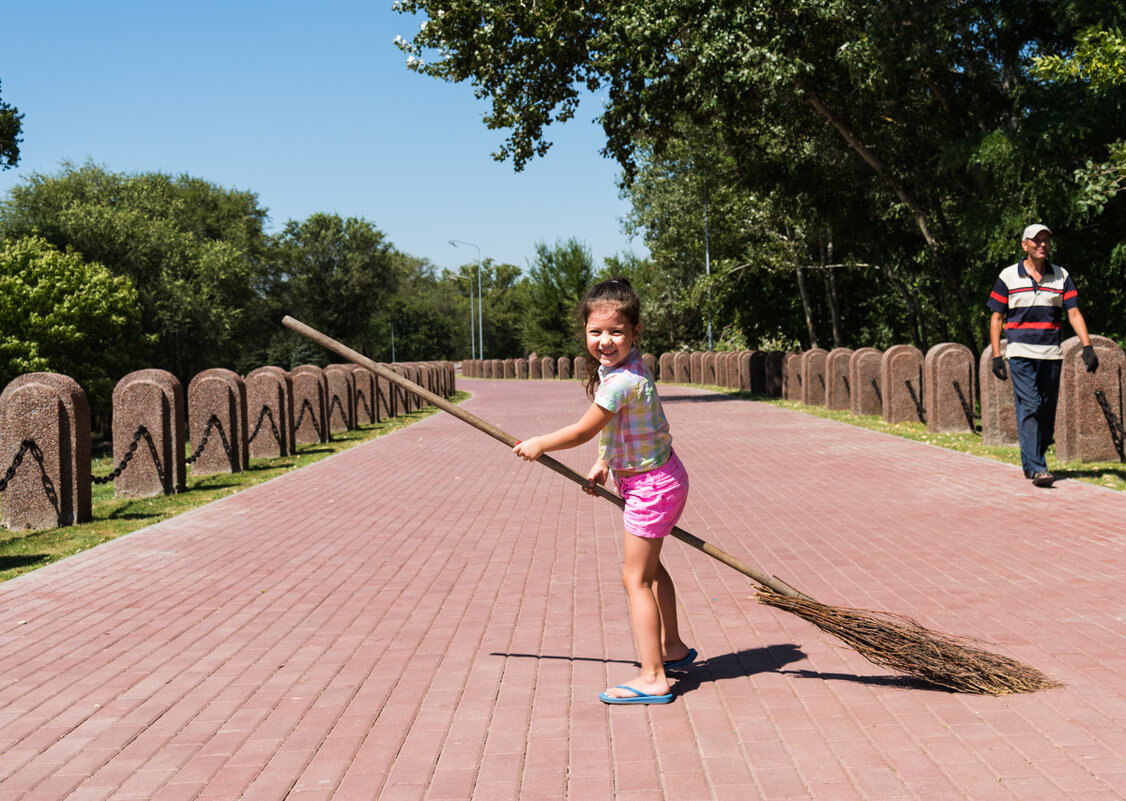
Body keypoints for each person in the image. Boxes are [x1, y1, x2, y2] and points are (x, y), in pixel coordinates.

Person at [513, 278, 695, 704]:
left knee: (635, 579)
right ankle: (672, 649)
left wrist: (540, 443)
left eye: (616, 332)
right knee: (651, 571)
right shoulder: (624, 369)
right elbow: (620, 427)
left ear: (635, 332)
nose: (605, 341)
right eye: (596, 332)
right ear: (585, 332)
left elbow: (582, 429)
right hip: (658, 479)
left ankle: (653, 677)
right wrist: (603, 463)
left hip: (652, 486)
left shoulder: (619, 382)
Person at [987, 223, 1099, 487]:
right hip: (1020, 353)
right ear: (1024, 245)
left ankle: (1031, 462)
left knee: (1047, 412)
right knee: (1031, 405)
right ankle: (1039, 469)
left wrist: (1087, 346)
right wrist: (995, 355)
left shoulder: (1061, 276)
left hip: (1051, 354)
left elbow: (1073, 312)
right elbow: (996, 317)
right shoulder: (1008, 276)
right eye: (1036, 240)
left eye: (1046, 240)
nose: (1042, 244)